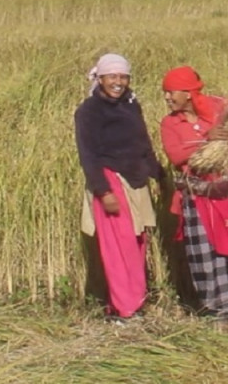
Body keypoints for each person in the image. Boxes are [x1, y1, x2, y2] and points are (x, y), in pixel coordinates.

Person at [159, 65, 228, 319]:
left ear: (188, 93)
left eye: (171, 92)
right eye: (165, 93)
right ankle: (219, 308)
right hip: (199, 197)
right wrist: (207, 140)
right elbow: (176, 156)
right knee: (208, 256)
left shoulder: (219, 110)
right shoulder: (170, 123)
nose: (167, 98)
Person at [74, 53, 163, 322]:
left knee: (137, 242)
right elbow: (87, 155)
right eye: (112, 76)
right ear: (100, 78)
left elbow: (143, 144)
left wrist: (160, 176)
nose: (118, 82)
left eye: (123, 76)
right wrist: (104, 192)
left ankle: (132, 303)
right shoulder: (88, 111)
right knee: (118, 246)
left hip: (135, 180)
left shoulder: (131, 106)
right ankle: (124, 309)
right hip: (110, 180)